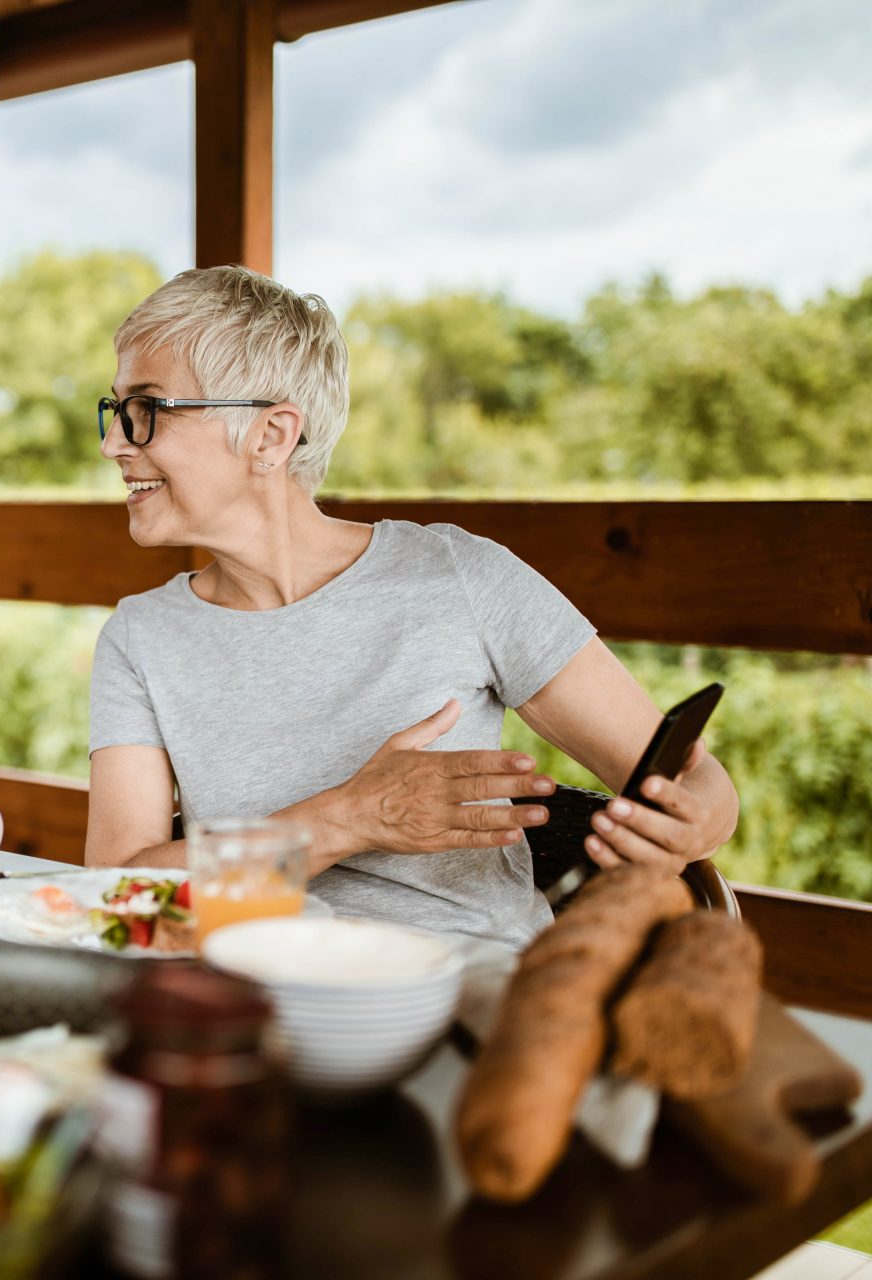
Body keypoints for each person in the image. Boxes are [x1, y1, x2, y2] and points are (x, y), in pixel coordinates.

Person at [84, 266, 738, 947]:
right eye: (115, 410)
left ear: (271, 437)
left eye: (146, 410)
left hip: (474, 996)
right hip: (250, 1002)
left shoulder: (459, 577)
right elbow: (118, 900)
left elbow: (698, 781)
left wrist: (695, 822)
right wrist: (350, 817)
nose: (113, 443)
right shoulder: (140, 638)